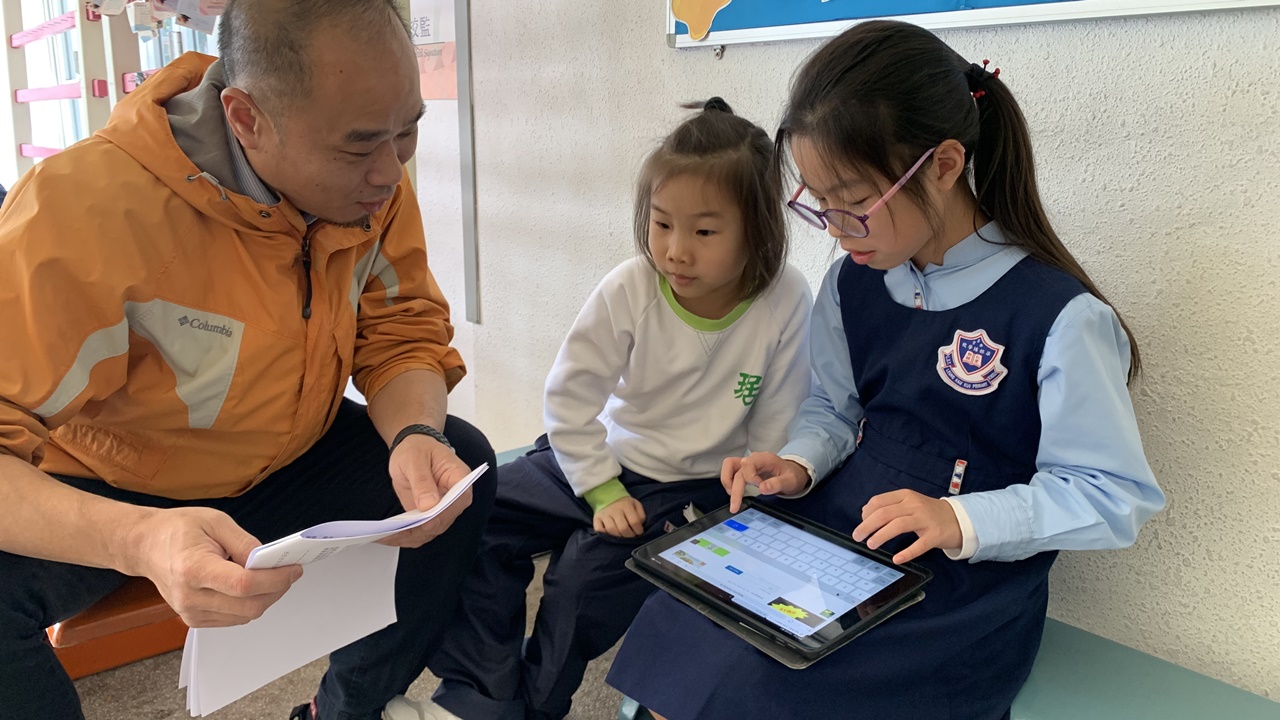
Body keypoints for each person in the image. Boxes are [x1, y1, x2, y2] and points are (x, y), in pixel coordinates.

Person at [607, 20, 1166, 720]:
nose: (837, 228)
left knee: (767, 681)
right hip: (841, 524)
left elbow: (1113, 496)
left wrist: (957, 518)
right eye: (818, 202)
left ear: (944, 165)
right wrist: (799, 463)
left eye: (853, 201)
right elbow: (834, 410)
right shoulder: (853, 283)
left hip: (957, 580)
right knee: (687, 610)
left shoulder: (1059, 317)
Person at [0, 2, 496, 719]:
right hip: (116, 484)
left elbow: (401, 330)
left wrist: (415, 432)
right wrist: (138, 540)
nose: (391, 172)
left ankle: (345, 710)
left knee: (457, 468)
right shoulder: (77, 212)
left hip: (284, 453)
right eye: (359, 147)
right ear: (246, 118)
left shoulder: (372, 181)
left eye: (408, 130)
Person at [420, 99, 814, 720]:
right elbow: (570, 398)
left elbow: (776, 417)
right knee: (475, 516)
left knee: (580, 584)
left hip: (686, 486)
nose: (676, 251)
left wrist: (750, 498)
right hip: (595, 456)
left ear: (759, 228)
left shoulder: (785, 296)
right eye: (662, 224)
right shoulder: (631, 286)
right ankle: (483, 698)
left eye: (704, 232)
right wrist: (601, 489)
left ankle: (537, 708)